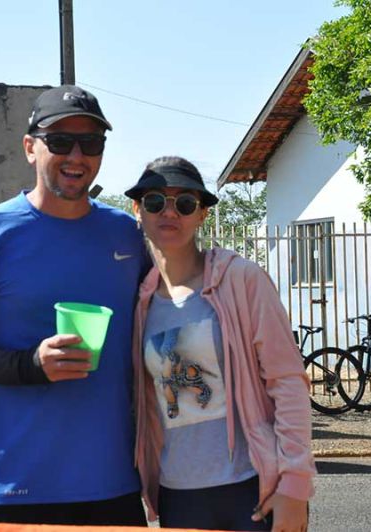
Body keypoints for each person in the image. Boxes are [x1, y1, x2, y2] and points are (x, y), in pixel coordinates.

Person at [0, 85, 149, 526]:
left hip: (115, 482)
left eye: (91, 143)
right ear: (29, 148)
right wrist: (29, 365)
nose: (76, 156)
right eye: (59, 141)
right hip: (21, 485)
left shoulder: (126, 235)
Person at [125, 156, 315, 532]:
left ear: (202, 214)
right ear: (137, 210)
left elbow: (288, 382)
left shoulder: (241, 280)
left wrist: (295, 486)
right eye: (155, 201)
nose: (169, 212)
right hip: (178, 495)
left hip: (251, 487)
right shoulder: (140, 301)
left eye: (185, 203)